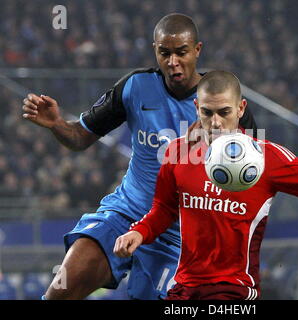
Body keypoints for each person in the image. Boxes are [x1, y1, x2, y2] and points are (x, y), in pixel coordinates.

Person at [21, 14, 257, 300]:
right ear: (155, 51)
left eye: (181, 52)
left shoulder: (224, 104)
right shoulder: (135, 87)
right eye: (164, 53)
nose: (173, 62)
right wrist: (57, 124)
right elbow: (81, 137)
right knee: (63, 285)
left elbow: (249, 184)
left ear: (197, 50)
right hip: (125, 213)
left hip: (181, 238)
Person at [114, 70, 298, 300]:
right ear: (196, 108)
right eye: (207, 113)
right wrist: (139, 232)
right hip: (185, 288)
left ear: (241, 108)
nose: (215, 122)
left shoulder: (268, 157)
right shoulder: (177, 153)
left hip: (235, 290)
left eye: (224, 112)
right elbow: (163, 209)